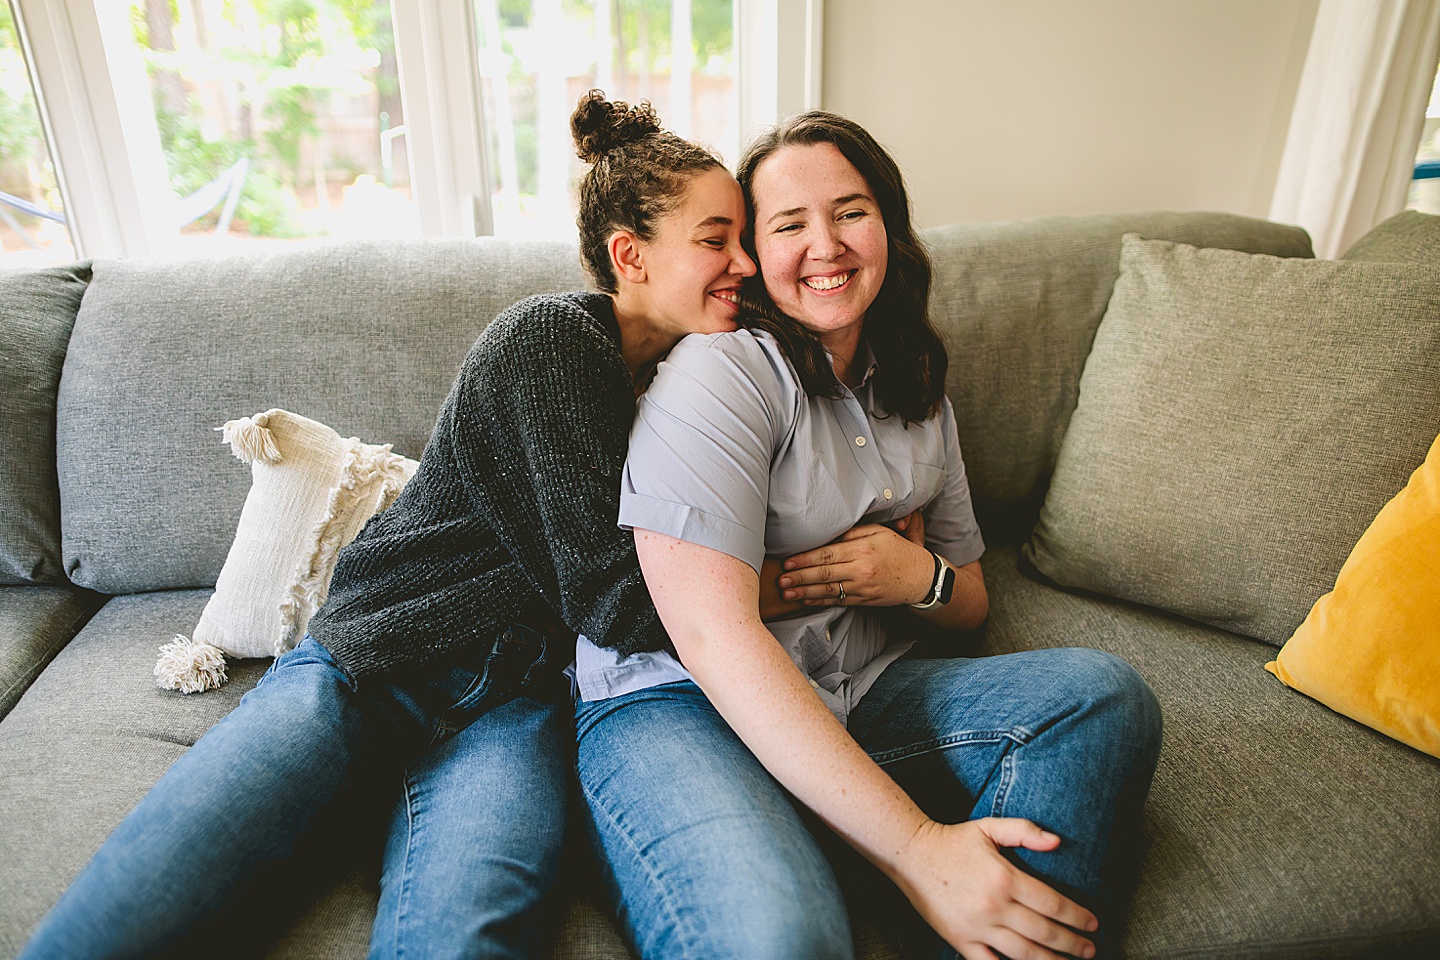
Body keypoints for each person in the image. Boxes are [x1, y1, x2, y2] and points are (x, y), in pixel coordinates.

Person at [18, 91, 758, 960]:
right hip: (370, 664)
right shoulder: (555, 340)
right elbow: (614, 601)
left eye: (745, 237)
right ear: (629, 255)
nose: (744, 261)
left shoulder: (679, 387)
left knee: (475, 935)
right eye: (717, 240)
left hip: (508, 706)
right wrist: (794, 584)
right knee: (135, 916)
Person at [572, 112, 1164, 960]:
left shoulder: (918, 390)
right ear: (753, 252)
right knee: (783, 940)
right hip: (684, 705)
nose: (827, 245)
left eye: (850, 211)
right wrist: (919, 847)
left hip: (861, 691)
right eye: (788, 224)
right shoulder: (726, 371)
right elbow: (710, 634)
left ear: (888, 223)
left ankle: (979, 920)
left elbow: (970, 599)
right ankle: (870, 863)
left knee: (1101, 699)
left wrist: (908, 574)